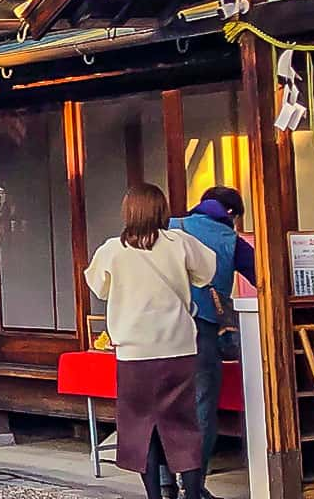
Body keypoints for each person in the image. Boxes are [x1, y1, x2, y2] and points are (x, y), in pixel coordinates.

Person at [86, 184, 218, 499]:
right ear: (161, 209)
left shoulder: (112, 250)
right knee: (183, 425)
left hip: (135, 353)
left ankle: (155, 495)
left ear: (128, 211)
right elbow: (206, 274)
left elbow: (99, 287)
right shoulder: (181, 243)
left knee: (140, 428)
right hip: (179, 348)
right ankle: (193, 493)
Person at [172, 186, 255, 472]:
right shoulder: (232, 240)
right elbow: (264, 277)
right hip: (202, 332)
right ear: (230, 212)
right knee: (202, 405)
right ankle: (195, 483)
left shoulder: (170, 227)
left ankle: (164, 481)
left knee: (166, 406)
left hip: (162, 329)